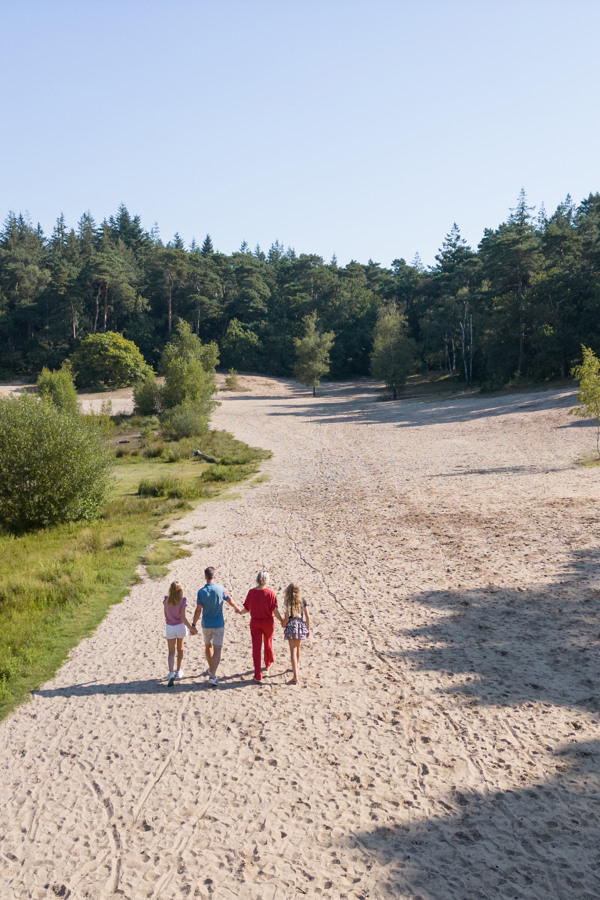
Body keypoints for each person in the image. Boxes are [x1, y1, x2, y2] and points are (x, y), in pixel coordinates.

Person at [193, 566, 240, 686]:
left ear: (205, 577)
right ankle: (213, 675)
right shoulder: (221, 589)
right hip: (218, 623)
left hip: (206, 624)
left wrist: (193, 624)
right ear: (214, 576)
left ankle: (211, 669)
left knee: (208, 646)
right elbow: (230, 600)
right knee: (217, 649)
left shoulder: (201, 592)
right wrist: (237, 608)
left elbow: (198, 610)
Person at [238, 570, 283, 682]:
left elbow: (246, 608)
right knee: (268, 642)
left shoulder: (251, 592)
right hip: (268, 621)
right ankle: (268, 662)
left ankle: (258, 674)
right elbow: (275, 610)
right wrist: (281, 620)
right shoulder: (270, 593)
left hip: (255, 622)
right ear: (267, 580)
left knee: (256, 648)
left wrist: (240, 612)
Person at [164, 581, 196, 687]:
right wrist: (191, 627)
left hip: (170, 627)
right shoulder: (182, 601)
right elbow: (183, 617)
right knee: (180, 649)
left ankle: (170, 672)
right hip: (180, 626)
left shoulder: (166, 600)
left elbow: (165, 614)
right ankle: (178, 670)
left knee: (171, 652)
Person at [281, 583, 311, 684]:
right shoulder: (302, 602)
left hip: (291, 626)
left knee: (292, 651)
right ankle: (297, 665)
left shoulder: (287, 603)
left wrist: (283, 623)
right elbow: (307, 617)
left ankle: (295, 677)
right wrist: (308, 628)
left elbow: (286, 619)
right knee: (298, 648)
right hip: (301, 625)